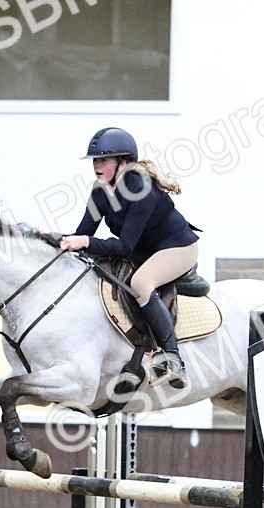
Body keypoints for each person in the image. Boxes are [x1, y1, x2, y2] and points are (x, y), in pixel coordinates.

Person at [59, 127, 200, 390]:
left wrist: (85, 242)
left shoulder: (141, 189)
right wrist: (57, 238)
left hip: (178, 248)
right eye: (94, 160)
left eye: (103, 160)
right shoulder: (100, 191)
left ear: (123, 162)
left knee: (141, 283)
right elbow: (83, 234)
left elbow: (123, 246)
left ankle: (173, 359)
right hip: (144, 251)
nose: (96, 166)